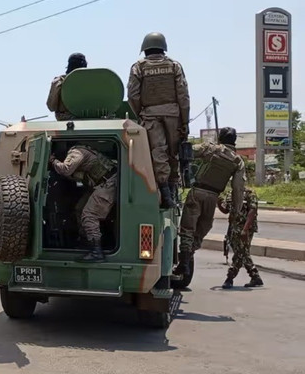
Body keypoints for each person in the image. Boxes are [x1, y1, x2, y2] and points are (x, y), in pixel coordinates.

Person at [127, 32, 190, 208]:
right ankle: (173, 191)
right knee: (173, 154)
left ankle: (165, 196)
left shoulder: (138, 67)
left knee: (158, 153)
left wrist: (141, 112)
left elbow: (132, 94)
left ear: (145, 50)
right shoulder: (174, 66)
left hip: (150, 115)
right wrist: (184, 121)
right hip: (174, 115)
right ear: (163, 48)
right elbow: (183, 95)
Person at [176, 127, 245, 280]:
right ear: (234, 141)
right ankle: (188, 256)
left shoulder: (211, 148)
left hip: (198, 192)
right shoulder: (237, 161)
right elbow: (238, 189)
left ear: (220, 138)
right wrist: (236, 211)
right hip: (213, 197)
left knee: (188, 228)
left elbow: (188, 152)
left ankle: (185, 259)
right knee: (202, 228)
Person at [49, 144, 118, 262]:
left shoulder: (76, 152)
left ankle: (96, 251)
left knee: (89, 215)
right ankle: (86, 241)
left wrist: (52, 161)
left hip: (108, 183)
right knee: (80, 209)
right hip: (102, 183)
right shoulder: (81, 153)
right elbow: (78, 177)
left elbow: (65, 169)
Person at [219, 187, 263, 289]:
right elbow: (226, 210)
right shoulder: (231, 193)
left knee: (240, 252)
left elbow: (252, 211)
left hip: (245, 229)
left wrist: (245, 229)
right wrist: (219, 203)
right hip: (234, 228)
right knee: (243, 252)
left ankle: (230, 278)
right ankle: (255, 276)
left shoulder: (249, 193)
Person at [46, 52, 87, 121]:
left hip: (66, 121)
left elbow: (51, 107)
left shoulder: (59, 82)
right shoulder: (96, 82)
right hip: (90, 119)